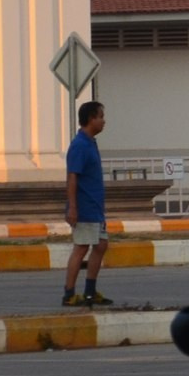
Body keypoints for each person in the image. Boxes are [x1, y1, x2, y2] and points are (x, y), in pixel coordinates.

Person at [63, 101, 112, 308]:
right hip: (84, 208)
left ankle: (90, 291)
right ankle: (69, 293)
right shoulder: (79, 145)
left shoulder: (91, 142)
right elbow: (72, 177)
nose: (104, 120)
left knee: (101, 245)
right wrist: (73, 207)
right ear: (91, 118)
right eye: (101, 116)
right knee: (81, 248)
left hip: (95, 207)